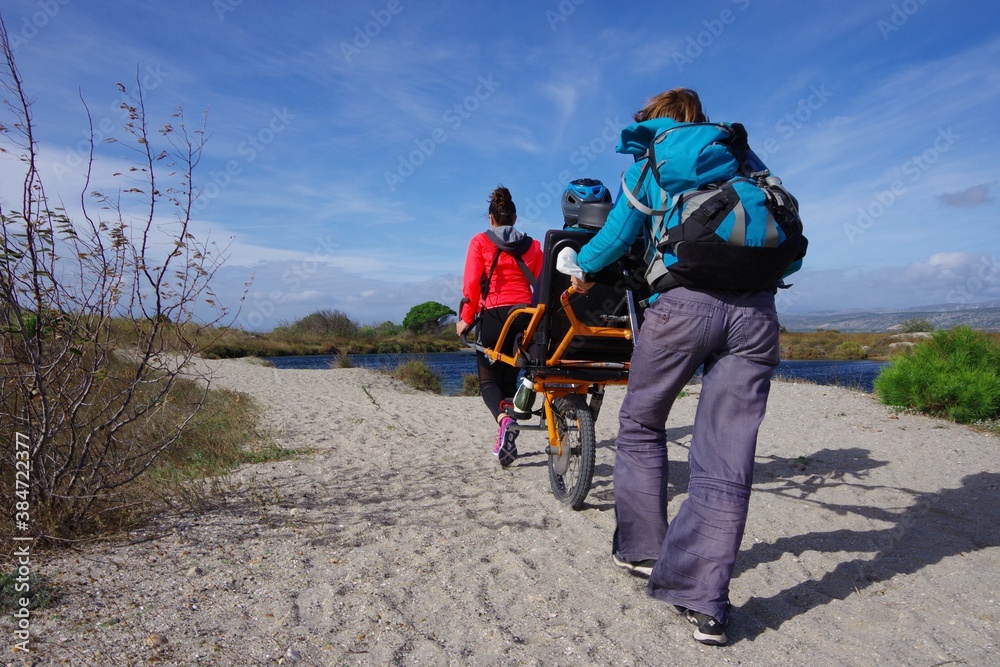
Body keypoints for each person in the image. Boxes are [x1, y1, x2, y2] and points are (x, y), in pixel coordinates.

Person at [570, 88, 792, 646]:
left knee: (643, 422)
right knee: (727, 453)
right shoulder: (740, 154)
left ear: (657, 122)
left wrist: (583, 271)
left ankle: (644, 550)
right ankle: (704, 601)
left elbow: (618, 235)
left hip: (681, 306)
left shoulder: (655, 162)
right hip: (757, 312)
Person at [457, 185, 543, 467]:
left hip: (494, 318)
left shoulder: (480, 242)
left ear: (491, 219)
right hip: (526, 317)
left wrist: (466, 319)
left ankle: (505, 420)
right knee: (511, 380)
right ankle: (508, 431)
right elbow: (543, 285)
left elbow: (471, 285)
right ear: (515, 219)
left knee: (490, 382)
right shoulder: (534, 246)